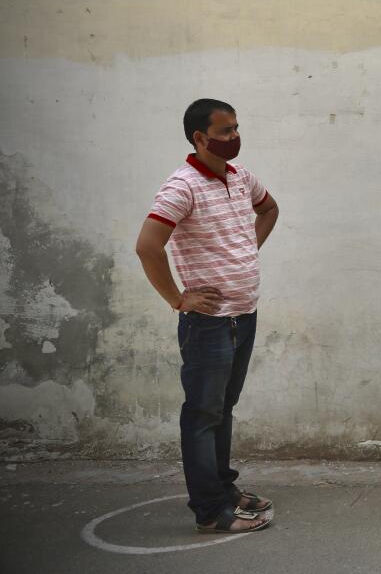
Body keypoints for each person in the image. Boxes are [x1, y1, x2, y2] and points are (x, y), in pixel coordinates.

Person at [135, 99, 280, 533]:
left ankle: (223, 487)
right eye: (224, 131)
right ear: (199, 137)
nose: (234, 138)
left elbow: (269, 208)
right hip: (210, 324)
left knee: (223, 409)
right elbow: (147, 246)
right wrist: (177, 299)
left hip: (244, 314)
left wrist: (243, 251)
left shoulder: (240, 177)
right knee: (202, 415)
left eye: (236, 128)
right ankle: (211, 510)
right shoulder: (181, 187)